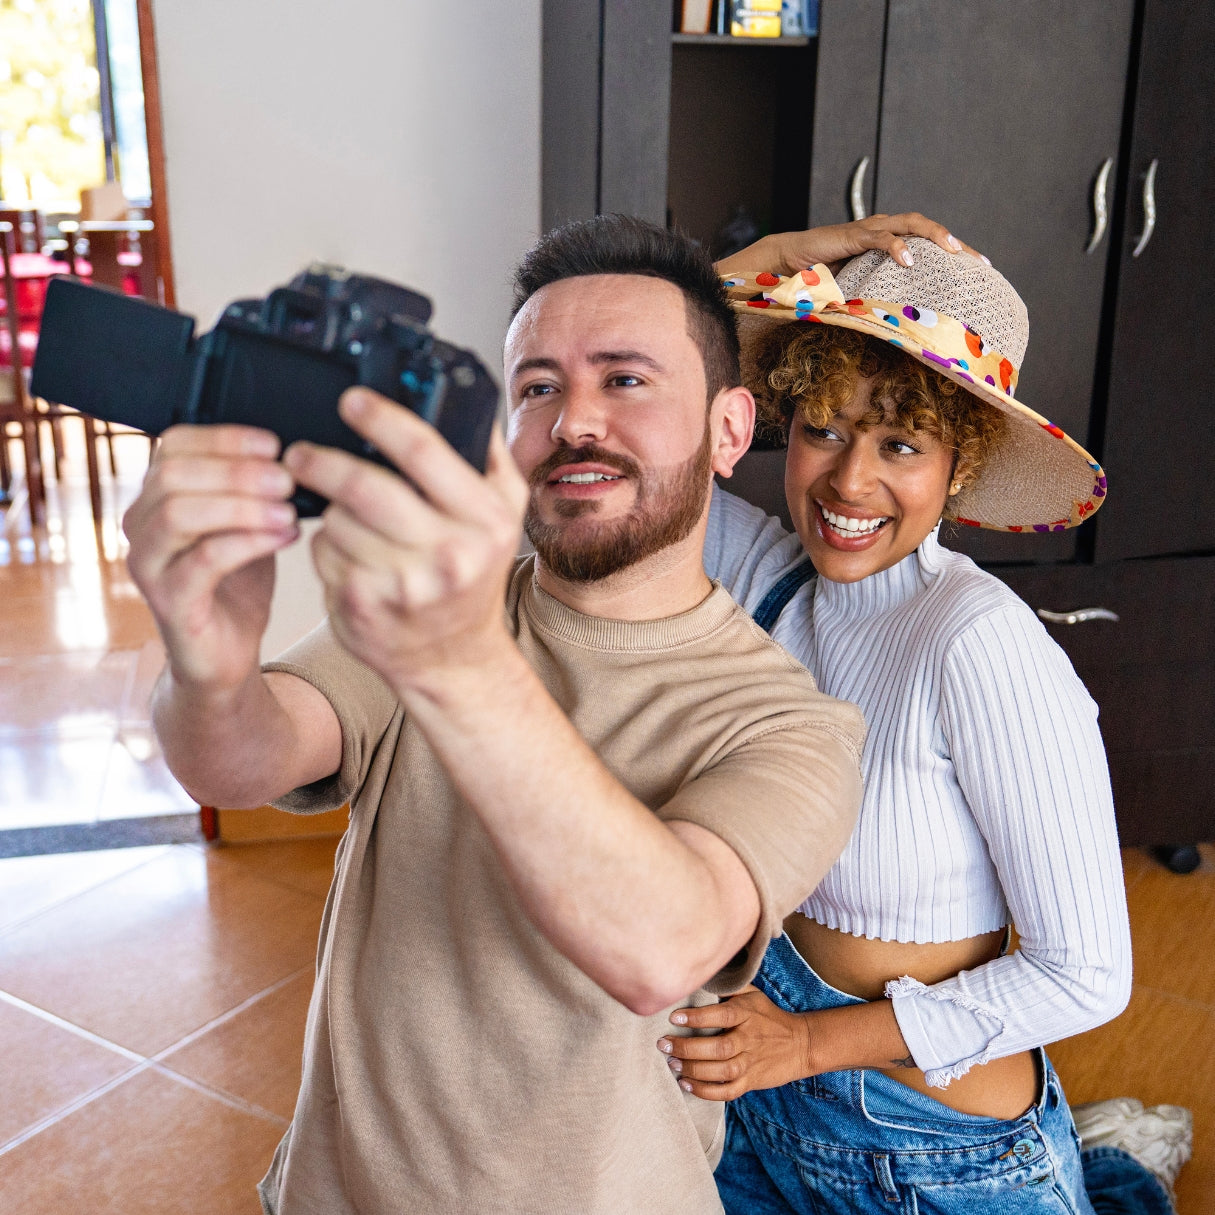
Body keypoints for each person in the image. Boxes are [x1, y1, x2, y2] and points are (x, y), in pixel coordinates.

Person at [123, 213, 994, 1214]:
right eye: (539, 386)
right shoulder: (444, 607)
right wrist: (208, 666)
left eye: (625, 380)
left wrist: (456, 660)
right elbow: (238, 763)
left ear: (728, 430)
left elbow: (660, 946)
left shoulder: (790, 726)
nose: (575, 422)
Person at [657, 239, 1189, 1213]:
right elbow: (609, 415)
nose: (847, 483)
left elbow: (1087, 977)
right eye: (824, 429)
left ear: (960, 461)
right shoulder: (766, 578)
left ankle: (1104, 1170)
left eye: (900, 444)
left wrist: (807, 1043)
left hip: (936, 1159)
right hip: (763, 1118)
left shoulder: (978, 643)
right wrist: (773, 263)